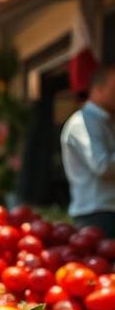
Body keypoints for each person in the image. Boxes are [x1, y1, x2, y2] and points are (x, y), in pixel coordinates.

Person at [61, 64, 115, 235]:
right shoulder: (82, 123)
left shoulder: (107, 122)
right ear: (98, 89)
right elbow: (102, 165)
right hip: (97, 216)